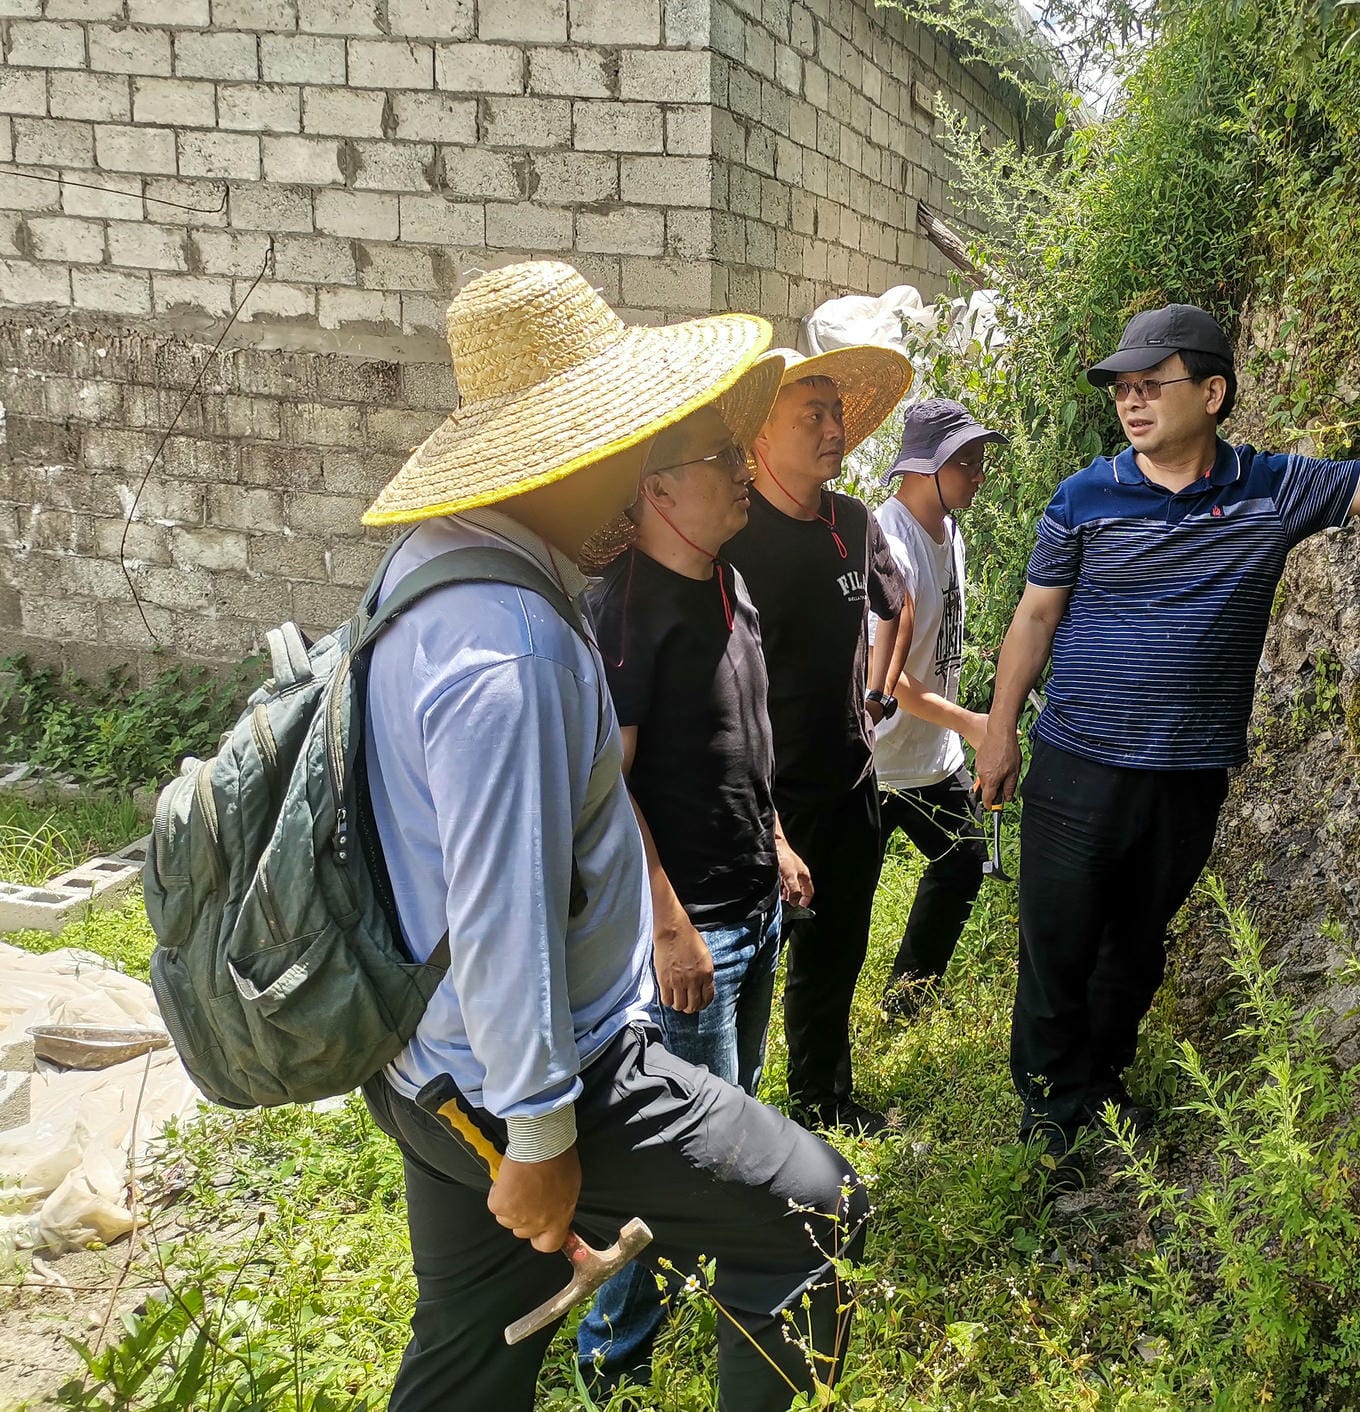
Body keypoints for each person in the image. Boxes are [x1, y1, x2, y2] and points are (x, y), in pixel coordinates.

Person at [353, 261, 866, 1412]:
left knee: (471, 1354)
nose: (641, 474)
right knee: (816, 1209)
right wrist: (540, 1136)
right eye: (630, 444)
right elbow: (500, 905)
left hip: (429, 1062)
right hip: (540, 1079)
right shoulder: (514, 647)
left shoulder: (427, 574)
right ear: (562, 450)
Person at [976, 303, 1360, 1173]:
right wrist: (1000, 734)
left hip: (1187, 771)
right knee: (1057, 939)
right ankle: (1049, 1120)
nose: (1132, 404)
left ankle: (1098, 1087)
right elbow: (1034, 618)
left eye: (1152, 385)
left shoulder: (1270, 488)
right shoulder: (1084, 498)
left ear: (1212, 393)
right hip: (1078, 761)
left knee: (1136, 942)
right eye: (1122, 391)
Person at [569, 356, 816, 1392]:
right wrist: (667, 922)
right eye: (718, 459)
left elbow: (741, 734)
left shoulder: (732, 581)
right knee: (687, 1164)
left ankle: (712, 1297)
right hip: (692, 931)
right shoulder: (625, 610)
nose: (739, 471)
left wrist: (778, 838)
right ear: (660, 489)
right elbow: (608, 786)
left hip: (752, 902)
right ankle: (613, 1363)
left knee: (736, 1115)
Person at [720, 344, 914, 1134]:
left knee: (837, 954)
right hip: (768, 799)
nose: (835, 431)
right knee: (749, 974)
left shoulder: (852, 521)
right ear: (761, 438)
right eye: (813, 416)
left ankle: (823, 1105)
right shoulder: (734, 540)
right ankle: (736, 1131)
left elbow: (894, 606)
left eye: (837, 415)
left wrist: (875, 697)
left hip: (850, 782)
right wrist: (767, 825)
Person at [868, 400, 1006, 1021]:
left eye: (979, 462)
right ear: (925, 468)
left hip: (933, 756)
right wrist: (976, 726)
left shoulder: (952, 533)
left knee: (963, 865)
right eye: (967, 463)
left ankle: (906, 1000)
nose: (978, 475)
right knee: (835, 909)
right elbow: (889, 677)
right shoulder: (889, 547)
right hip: (872, 763)